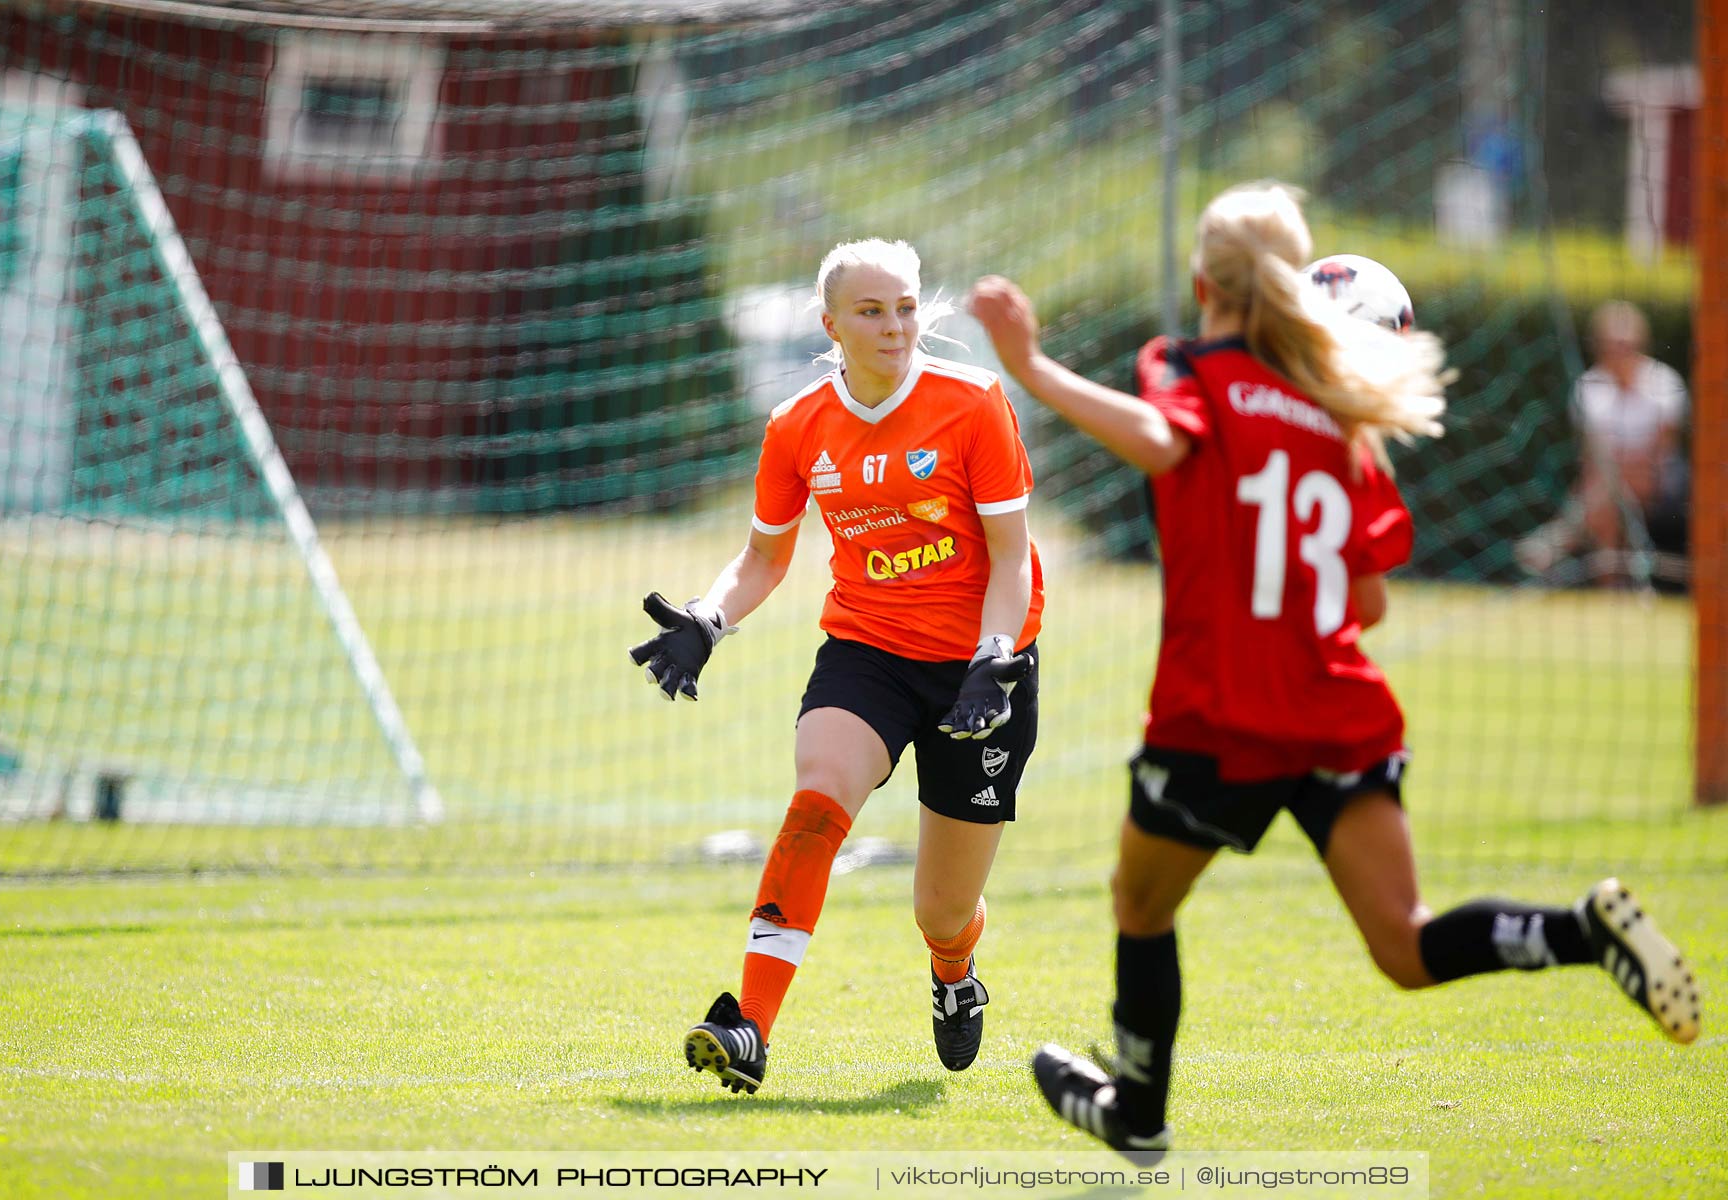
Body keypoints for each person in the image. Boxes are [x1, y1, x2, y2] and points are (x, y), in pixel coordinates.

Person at [968, 183, 1701, 1158]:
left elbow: (1161, 437)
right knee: (1406, 944)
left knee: (1139, 905)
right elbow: (1366, 605)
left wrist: (1031, 366)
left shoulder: (1193, 368)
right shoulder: (1342, 428)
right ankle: (1582, 931)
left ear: (1204, 282)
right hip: (1339, 711)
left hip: (1224, 712)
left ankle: (1138, 1117)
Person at [633, 238, 1046, 1094]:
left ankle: (954, 971)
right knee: (816, 801)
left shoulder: (971, 402)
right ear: (831, 324)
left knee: (941, 908)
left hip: (982, 671)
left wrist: (993, 659)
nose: (895, 325)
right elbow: (763, 558)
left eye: (905, 307)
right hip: (867, 652)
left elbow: (1012, 559)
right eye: (872, 310)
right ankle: (749, 1027)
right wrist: (709, 619)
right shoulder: (798, 425)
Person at [1516, 301, 1690, 586]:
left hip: (1663, 481)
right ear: (1599, 347)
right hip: (1605, 483)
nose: (1619, 353)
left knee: (1607, 492)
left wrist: (1610, 473)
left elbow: (1661, 453)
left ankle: (1561, 539)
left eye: (1626, 345)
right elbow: (1591, 458)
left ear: (1640, 343)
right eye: (1612, 345)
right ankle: (1617, 591)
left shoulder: (1665, 382)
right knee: (1608, 504)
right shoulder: (1588, 387)